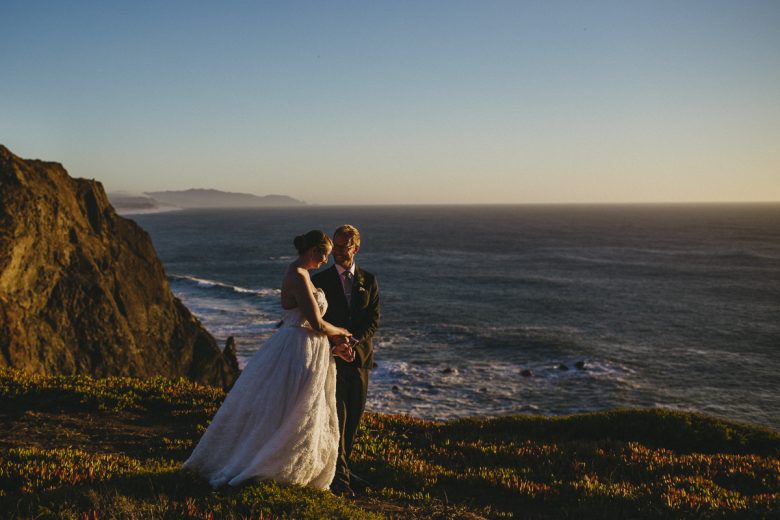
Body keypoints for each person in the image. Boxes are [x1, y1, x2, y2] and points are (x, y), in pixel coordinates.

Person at [183, 230, 355, 489]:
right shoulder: (297, 276)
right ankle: (269, 463)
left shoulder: (305, 274)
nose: (325, 261)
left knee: (303, 407)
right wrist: (341, 332)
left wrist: (335, 344)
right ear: (314, 250)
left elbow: (314, 325)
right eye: (325, 255)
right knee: (290, 406)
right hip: (297, 348)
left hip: (309, 348)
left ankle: (295, 464)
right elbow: (316, 323)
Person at [312, 224, 380, 497]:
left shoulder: (369, 281)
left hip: (361, 359)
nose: (339, 252)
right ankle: (339, 479)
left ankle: (345, 469)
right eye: (336, 247)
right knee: (337, 418)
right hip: (333, 359)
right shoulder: (322, 280)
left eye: (344, 247)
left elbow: (373, 321)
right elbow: (318, 321)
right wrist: (337, 343)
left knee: (354, 418)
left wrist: (353, 341)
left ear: (356, 248)